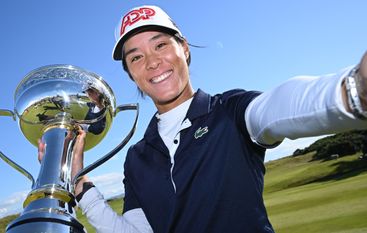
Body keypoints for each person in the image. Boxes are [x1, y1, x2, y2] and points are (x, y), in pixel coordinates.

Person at [41, 5, 367, 233]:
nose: (152, 62)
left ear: (183, 48)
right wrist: (79, 181)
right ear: (131, 74)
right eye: (136, 57)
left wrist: (353, 90)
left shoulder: (231, 111)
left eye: (161, 45)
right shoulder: (138, 157)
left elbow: (277, 108)